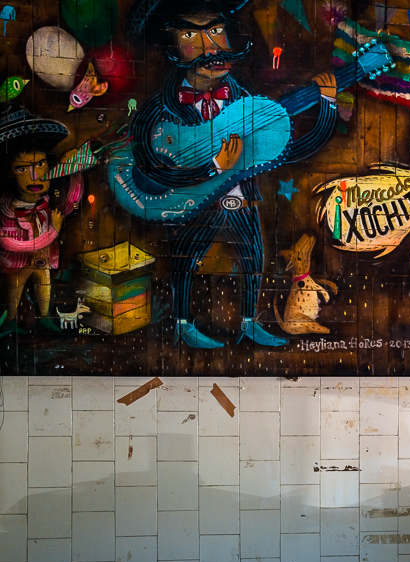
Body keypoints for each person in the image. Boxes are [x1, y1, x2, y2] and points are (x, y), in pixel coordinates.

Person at [123, 0, 338, 348]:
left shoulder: (245, 102)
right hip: (195, 202)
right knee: (185, 259)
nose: (211, 46)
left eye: (217, 30)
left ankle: (250, 322)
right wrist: (214, 168)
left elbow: (290, 151)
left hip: (241, 196)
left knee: (253, 258)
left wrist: (327, 105)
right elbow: (150, 167)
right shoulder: (161, 110)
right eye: (192, 33)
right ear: (172, 44)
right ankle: (181, 323)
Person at [0, 104, 83, 329]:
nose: (35, 176)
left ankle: (44, 322)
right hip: (16, 266)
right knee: (12, 303)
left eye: (39, 165)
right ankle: (10, 327)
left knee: (43, 293)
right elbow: (11, 244)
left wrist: (74, 171)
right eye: (23, 169)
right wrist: (52, 232)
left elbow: (69, 204)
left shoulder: (45, 203)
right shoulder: (7, 211)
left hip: (42, 262)